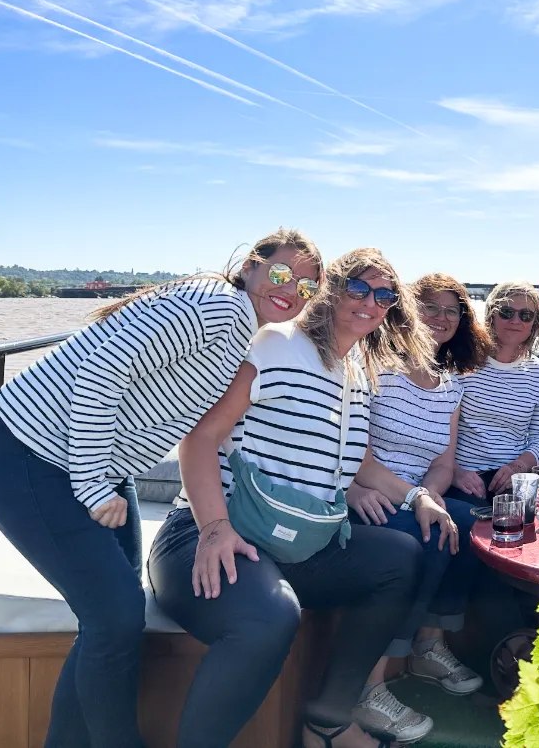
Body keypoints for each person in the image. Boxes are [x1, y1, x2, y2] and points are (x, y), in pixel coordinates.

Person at [0, 227, 319, 748]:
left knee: (114, 618)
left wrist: (104, 477)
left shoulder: (240, 327)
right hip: (29, 452)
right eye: (283, 273)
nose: (292, 289)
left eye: (307, 286)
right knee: (116, 615)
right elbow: (101, 371)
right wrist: (94, 486)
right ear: (252, 265)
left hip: (89, 465)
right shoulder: (215, 307)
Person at [149, 248, 435, 748]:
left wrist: (416, 496)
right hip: (207, 533)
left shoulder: (356, 370)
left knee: (400, 557)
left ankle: (327, 724)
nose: (370, 302)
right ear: (331, 290)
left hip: (291, 542)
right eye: (359, 288)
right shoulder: (275, 343)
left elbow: (354, 460)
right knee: (271, 617)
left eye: (384, 295)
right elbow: (200, 438)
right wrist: (214, 529)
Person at [347, 273, 491, 731]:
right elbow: (354, 450)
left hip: (416, 493)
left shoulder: (452, 382)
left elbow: (443, 462)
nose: (441, 318)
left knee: (473, 524)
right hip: (369, 490)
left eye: (452, 310)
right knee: (423, 536)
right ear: (408, 311)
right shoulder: (376, 366)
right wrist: (413, 499)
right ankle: (371, 683)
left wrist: (430, 496)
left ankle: (428, 646)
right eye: (430, 307)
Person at [447, 281, 539, 500]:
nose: (515, 321)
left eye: (526, 315)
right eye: (507, 312)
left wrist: (518, 466)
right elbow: (433, 427)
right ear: (491, 315)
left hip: (514, 480)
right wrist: (454, 472)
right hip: (464, 479)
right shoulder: (460, 363)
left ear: (534, 323)